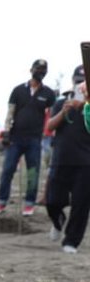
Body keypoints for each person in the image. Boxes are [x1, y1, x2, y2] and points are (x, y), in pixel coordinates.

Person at [0, 59, 56, 216]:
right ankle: (1, 201)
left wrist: (52, 134)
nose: (40, 72)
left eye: (43, 70)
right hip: (15, 138)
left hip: (34, 139)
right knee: (8, 170)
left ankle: (29, 203)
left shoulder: (48, 93)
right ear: (31, 69)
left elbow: (52, 116)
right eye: (38, 69)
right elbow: (10, 112)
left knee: (33, 172)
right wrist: (6, 132)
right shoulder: (18, 90)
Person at [44, 67, 90, 254]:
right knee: (53, 201)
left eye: (83, 81)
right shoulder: (62, 101)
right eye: (77, 80)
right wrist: (64, 112)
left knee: (81, 204)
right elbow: (49, 126)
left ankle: (71, 241)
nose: (80, 85)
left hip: (86, 162)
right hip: (61, 158)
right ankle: (57, 220)